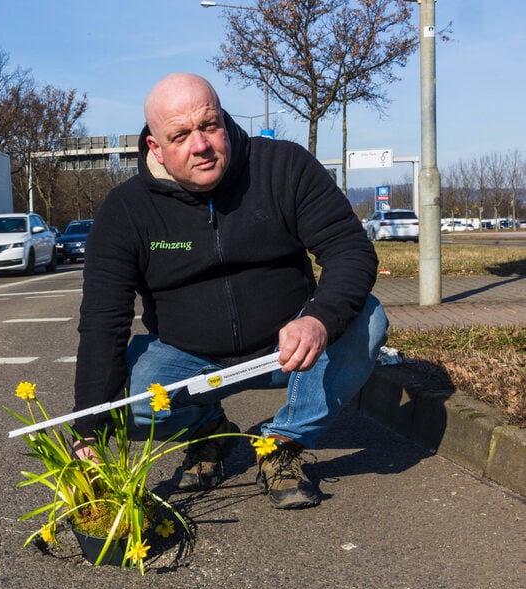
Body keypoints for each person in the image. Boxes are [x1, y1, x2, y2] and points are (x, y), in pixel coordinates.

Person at [71, 73, 388, 509]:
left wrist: (318, 318)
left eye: (209, 125)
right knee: (136, 400)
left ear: (224, 118)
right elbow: (103, 319)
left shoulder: (283, 166)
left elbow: (350, 250)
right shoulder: (125, 210)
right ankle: (209, 434)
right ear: (155, 148)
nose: (200, 145)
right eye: (180, 136)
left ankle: (281, 443)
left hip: (289, 350)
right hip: (190, 357)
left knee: (367, 320)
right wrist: (89, 428)